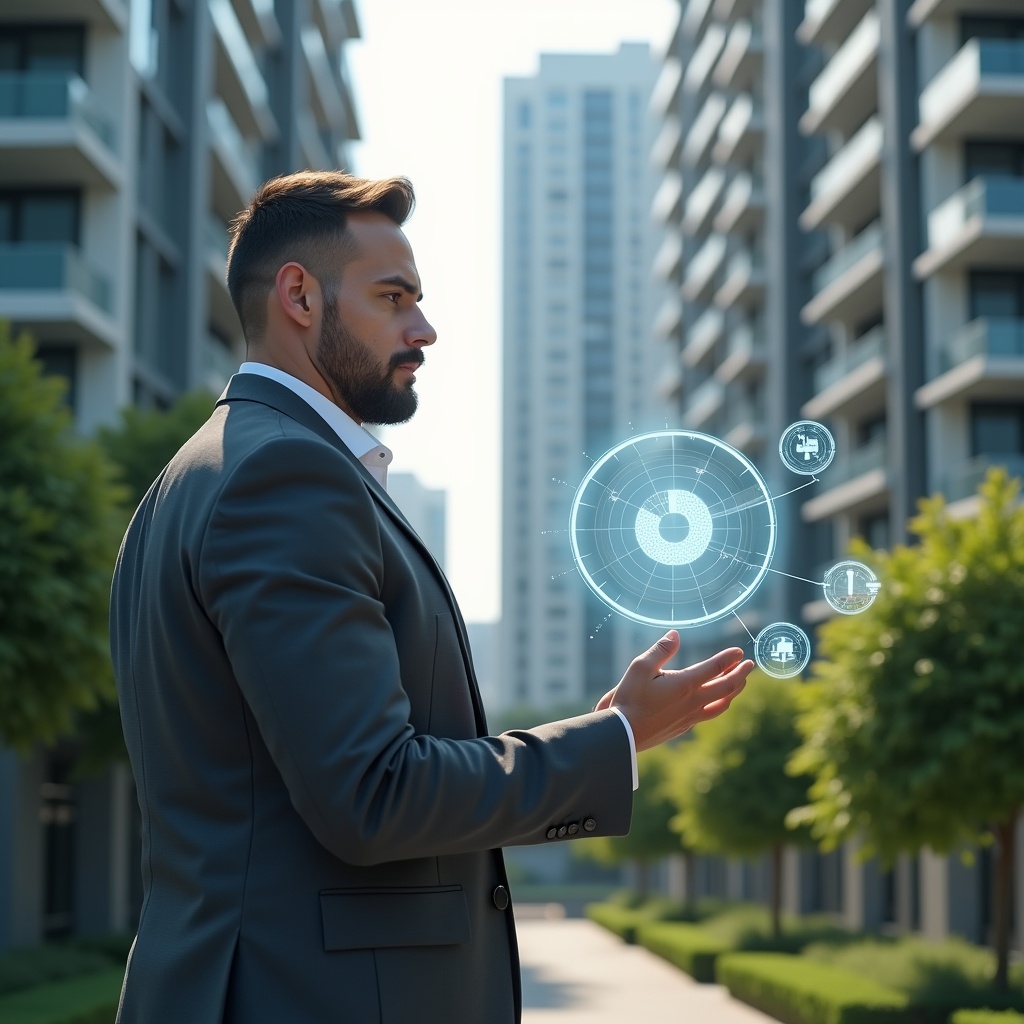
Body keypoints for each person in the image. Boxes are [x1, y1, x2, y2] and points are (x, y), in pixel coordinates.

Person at [109, 170, 753, 1024]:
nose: (425, 328)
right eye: (393, 296)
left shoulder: (195, 477)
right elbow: (374, 794)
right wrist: (617, 740)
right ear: (299, 296)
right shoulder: (284, 475)